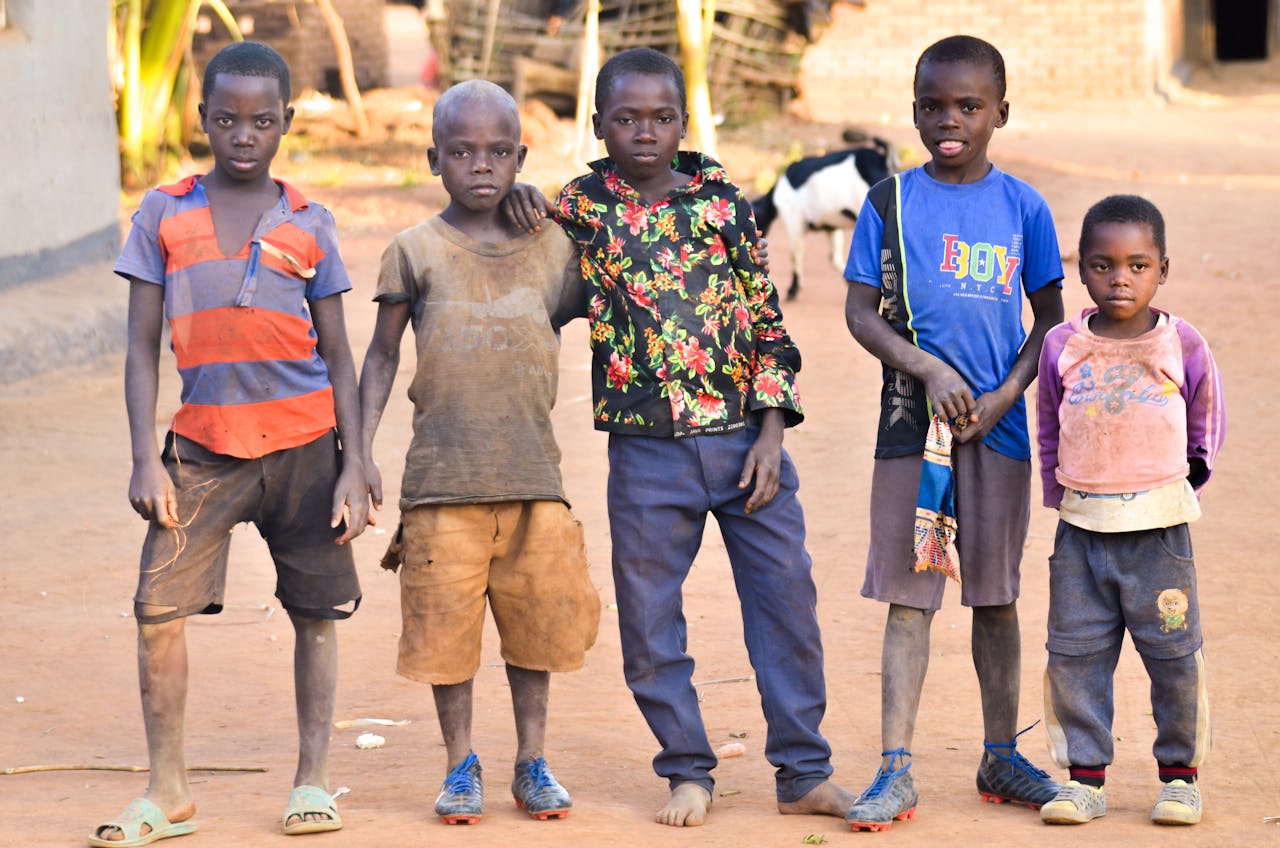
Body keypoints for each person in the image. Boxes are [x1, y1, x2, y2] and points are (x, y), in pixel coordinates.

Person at [506, 46, 855, 828]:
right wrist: (520, 198)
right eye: (625, 118)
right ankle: (688, 769)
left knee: (787, 604)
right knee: (649, 617)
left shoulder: (723, 201)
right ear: (598, 125)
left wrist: (773, 433)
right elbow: (526, 255)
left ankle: (803, 771)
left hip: (745, 444)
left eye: (661, 117)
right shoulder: (581, 205)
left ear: (682, 122)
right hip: (645, 455)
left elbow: (768, 325)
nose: (644, 133)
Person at [92, 41, 369, 846]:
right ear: (203, 120)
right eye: (226, 118)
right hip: (202, 450)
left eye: (261, 120)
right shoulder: (162, 213)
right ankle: (168, 788)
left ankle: (312, 780)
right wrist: (146, 455)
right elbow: (142, 346)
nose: (243, 134)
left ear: (286, 122)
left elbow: (341, 353)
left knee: (316, 612)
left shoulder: (310, 222)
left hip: (307, 449)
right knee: (157, 607)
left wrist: (359, 462)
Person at [358, 79, 600, 826]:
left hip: (534, 479)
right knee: (446, 640)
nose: (481, 166)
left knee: (537, 628)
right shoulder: (415, 251)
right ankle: (460, 764)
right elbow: (380, 356)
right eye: (461, 152)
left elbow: (616, 260)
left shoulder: (551, 246)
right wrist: (358, 454)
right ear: (434, 159)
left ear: (521, 157)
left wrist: (555, 205)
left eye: (500, 152)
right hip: (441, 484)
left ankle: (532, 761)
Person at [842, 34, 1065, 831]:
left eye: (969, 107)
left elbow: (1050, 322)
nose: (950, 120)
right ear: (913, 109)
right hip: (912, 431)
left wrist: (1006, 394)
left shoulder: (1024, 208)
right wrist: (930, 370)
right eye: (933, 105)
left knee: (996, 598)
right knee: (910, 599)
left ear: (1000, 112)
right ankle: (895, 768)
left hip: (996, 436)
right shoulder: (890, 203)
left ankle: (1000, 754)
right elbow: (860, 313)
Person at [1035, 195, 1224, 827]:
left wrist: (1187, 481)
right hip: (1082, 531)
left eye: (1138, 265)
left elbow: (1206, 418)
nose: (1121, 278)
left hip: (1160, 533)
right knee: (1076, 653)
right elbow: (1048, 427)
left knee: (1173, 655)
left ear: (1162, 270)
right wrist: (1058, 495)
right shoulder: (1064, 343)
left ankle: (1180, 778)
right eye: (1103, 264)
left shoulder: (1181, 342)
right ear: (1082, 270)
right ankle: (1085, 779)